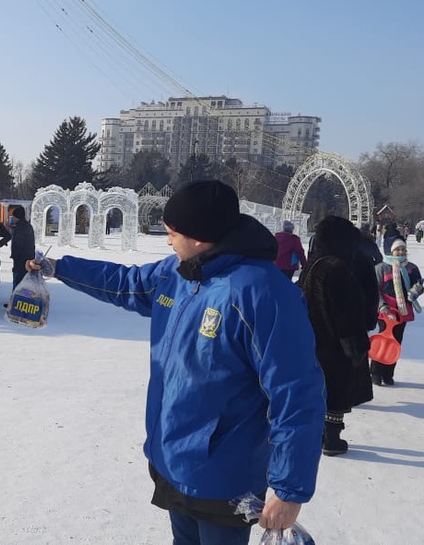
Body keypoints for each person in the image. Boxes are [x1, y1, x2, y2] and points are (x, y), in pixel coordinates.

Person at [28, 179, 326, 543]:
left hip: (224, 477)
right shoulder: (178, 273)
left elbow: (296, 393)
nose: (168, 240)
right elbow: (126, 282)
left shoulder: (261, 293)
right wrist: (59, 268)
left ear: (199, 237)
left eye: (172, 233)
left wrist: (288, 489)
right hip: (173, 460)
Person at [298, 216, 377, 456]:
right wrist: (356, 345)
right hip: (338, 341)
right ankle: (332, 436)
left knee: (317, 386)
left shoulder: (314, 263)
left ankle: (318, 432)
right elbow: (350, 311)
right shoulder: (343, 266)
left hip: (310, 337)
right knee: (338, 387)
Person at [372, 236, 424, 386]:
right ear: (391, 251)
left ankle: (388, 373)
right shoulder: (381, 268)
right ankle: (376, 372)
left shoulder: (411, 268)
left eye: (403, 249)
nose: (401, 252)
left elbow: (418, 284)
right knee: (383, 340)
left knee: (396, 342)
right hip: (386, 311)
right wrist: (382, 305)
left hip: (403, 311)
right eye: (397, 250)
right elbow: (375, 290)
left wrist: (416, 290)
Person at [8, 205, 35, 288]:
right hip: (29, 258)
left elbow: (18, 245)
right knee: (25, 282)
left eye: (14, 216)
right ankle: (23, 298)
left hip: (20, 260)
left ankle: (15, 298)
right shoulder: (28, 226)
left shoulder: (19, 228)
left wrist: (14, 255)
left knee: (17, 280)